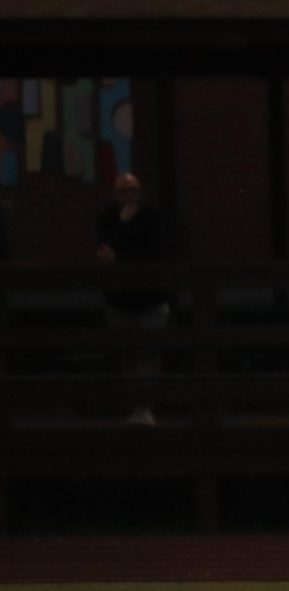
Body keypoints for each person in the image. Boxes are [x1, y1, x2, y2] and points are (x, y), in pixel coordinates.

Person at [96, 172, 171, 426]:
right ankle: (134, 407)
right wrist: (123, 225)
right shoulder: (108, 218)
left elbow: (155, 253)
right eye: (124, 191)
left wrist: (121, 258)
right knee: (128, 354)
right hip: (119, 299)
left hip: (150, 297)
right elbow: (103, 252)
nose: (130, 196)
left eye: (134, 190)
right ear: (114, 194)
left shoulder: (152, 216)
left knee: (149, 354)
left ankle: (146, 406)